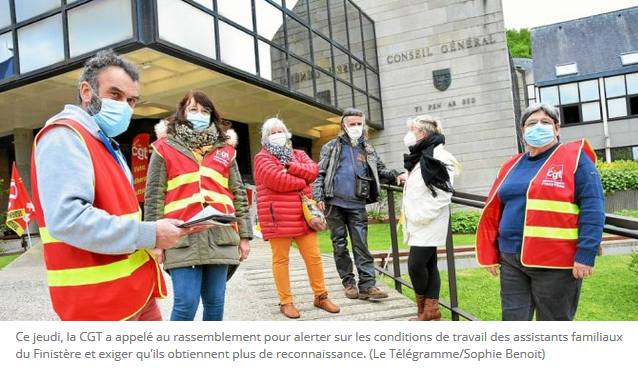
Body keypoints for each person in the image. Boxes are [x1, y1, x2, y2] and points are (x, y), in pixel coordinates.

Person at [30, 49, 188, 321]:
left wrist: (154, 237)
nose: (125, 107)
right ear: (86, 91)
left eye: (132, 100)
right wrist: (149, 234)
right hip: (99, 306)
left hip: (134, 293)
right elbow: (68, 219)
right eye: (115, 95)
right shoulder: (64, 136)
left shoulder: (101, 142)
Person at [476, 102, 605, 321]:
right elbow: (496, 208)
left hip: (555, 261)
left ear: (557, 128)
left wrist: (586, 253)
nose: (538, 126)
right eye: (531, 123)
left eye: (545, 122)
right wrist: (491, 252)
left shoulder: (575, 159)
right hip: (510, 259)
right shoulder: (511, 164)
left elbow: (593, 207)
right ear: (523, 131)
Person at [144, 91, 252, 321]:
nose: (200, 115)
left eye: (205, 111)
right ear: (182, 113)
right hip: (181, 238)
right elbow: (154, 196)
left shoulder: (226, 150)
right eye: (193, 109)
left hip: (220, 236)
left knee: (215, 304)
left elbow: (239, 195)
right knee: (185, 305)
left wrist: (245, 237)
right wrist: (155, 240)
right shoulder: (164, 148)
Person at [313, 108, 407, 300]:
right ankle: (348, 283)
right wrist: (319, 196)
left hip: (357, 204)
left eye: (359, 124)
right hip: (334, 203)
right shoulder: (331, 147)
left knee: (361, 245)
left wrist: (398, 174)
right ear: (343, 125)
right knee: (339, 245)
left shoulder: (369, 149)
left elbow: (380, 171)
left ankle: (367, 285)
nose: (356, 127)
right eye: (352, 124)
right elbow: (319, 173)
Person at [253, 117, 340, 319]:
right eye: (272, 132)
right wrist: (303, 180)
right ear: (265, 137)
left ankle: (321, 296)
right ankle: (286, 301)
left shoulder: (298, 154)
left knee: (314, 257)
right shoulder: (261, 158)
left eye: (279, 130)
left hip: (303, 216)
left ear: (287, 133)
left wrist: (290, 167)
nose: (277, 135)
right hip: (278, 217)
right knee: (281, 260)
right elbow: (277, 181)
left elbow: (314, 170)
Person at [401, 115, 460, 321]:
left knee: (415, 264)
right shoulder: (421, 155)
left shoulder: (440, 156)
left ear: (423, 134)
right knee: (429, 264)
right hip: (418, 220)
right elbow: (421, 179)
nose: (409, 135)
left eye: (413, 130)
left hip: (429, 219)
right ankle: (429, 313)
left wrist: (422, 216)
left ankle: (426, 311)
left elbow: (444, 193)